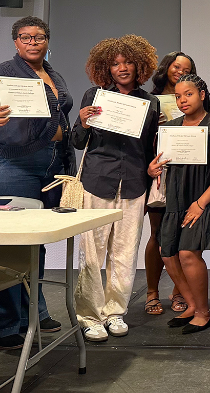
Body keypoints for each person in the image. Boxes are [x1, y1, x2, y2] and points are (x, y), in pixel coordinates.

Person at [0, 16, 69, 350]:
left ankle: (32, 313)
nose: (33, 42)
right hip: (9, 165)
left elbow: (58, 115)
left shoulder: (53, 74)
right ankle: (1, 326)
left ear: (47, 40)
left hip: (50, 165)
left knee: (34, 244)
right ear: (16, 42)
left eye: (39, 36)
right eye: (26, 37)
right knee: (8, 246)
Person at [73, 35, 160, 342]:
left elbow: (149, 147)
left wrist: (151, 171)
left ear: (140, 66)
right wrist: (82, 122)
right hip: (97, 181)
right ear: (105, 68)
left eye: (128, 62)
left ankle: (115, 312)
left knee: (125, 253)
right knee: (93, 253)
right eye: (115, 63)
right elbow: (77, 142)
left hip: (134, 183)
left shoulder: (151, 102)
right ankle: (89, 316)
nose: (122, 68)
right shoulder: (93, 95)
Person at [157, 74, 210, 334]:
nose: (182, 100)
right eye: (178, 96)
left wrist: (200, 203)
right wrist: (152, 168)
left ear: (202, 94)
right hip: (176, 197)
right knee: (167, 253)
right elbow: (160, 163)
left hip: (204, 197)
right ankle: (191, 305)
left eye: (188, 94)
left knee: (188, 254)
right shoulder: (172, 126)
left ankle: (203, 312)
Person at [144, 51, 196, 316]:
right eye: (177, 67)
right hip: (161, 174)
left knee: (185, 236)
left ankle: (178, 292)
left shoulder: (196, 101)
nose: (180, 71)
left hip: (189, 174)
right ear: (167, 68)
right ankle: (152, 292)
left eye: (186, 69)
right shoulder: (149, 100)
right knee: (157, 234)